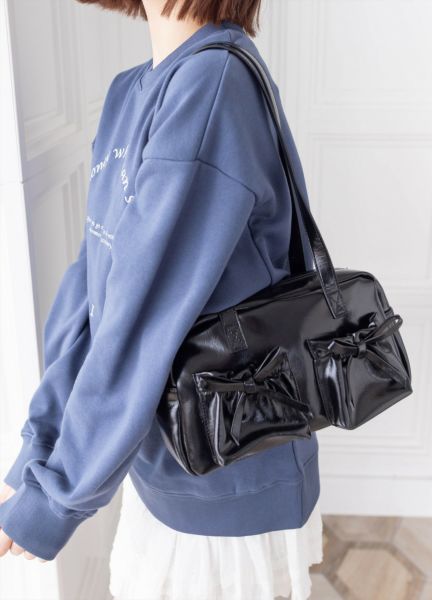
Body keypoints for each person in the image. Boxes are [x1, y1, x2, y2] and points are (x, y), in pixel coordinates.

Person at [0, 1, 324, 598]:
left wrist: (57, 490)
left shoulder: (213, 83)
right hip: (158, 462)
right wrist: (39, 449)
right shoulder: (131, 90)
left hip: (223, 483)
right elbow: (92, 295)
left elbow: (141, 316)